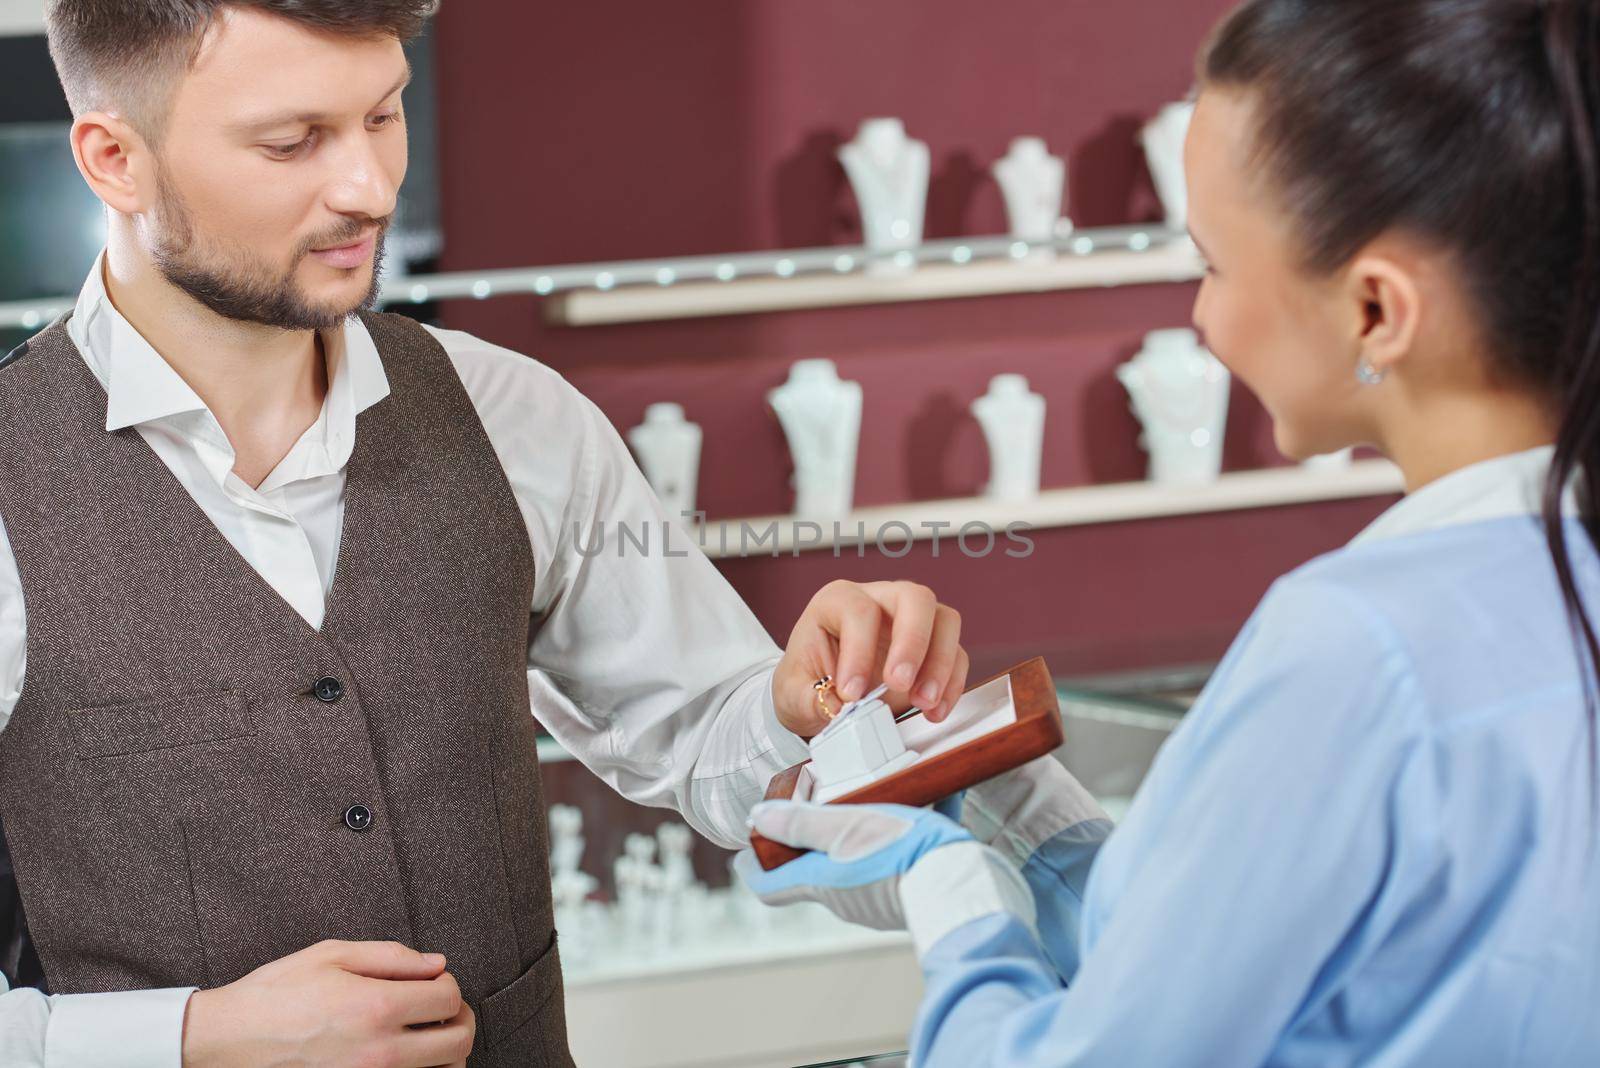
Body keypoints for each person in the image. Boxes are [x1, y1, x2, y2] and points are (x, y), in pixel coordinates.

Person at [0, 3, 973, 1067]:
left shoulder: (517, 416)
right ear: (113, 160)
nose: (369, 188)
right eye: (292, 143)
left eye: (383, 115)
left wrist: (800, 703)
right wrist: (189, 1039)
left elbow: (707, 738)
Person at [741, 1, 1600, 1064]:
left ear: (1375, 310)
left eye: (1213, 265)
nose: (1199, 316)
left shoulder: (1351, 648)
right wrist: (1034, 824)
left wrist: (950, 889)